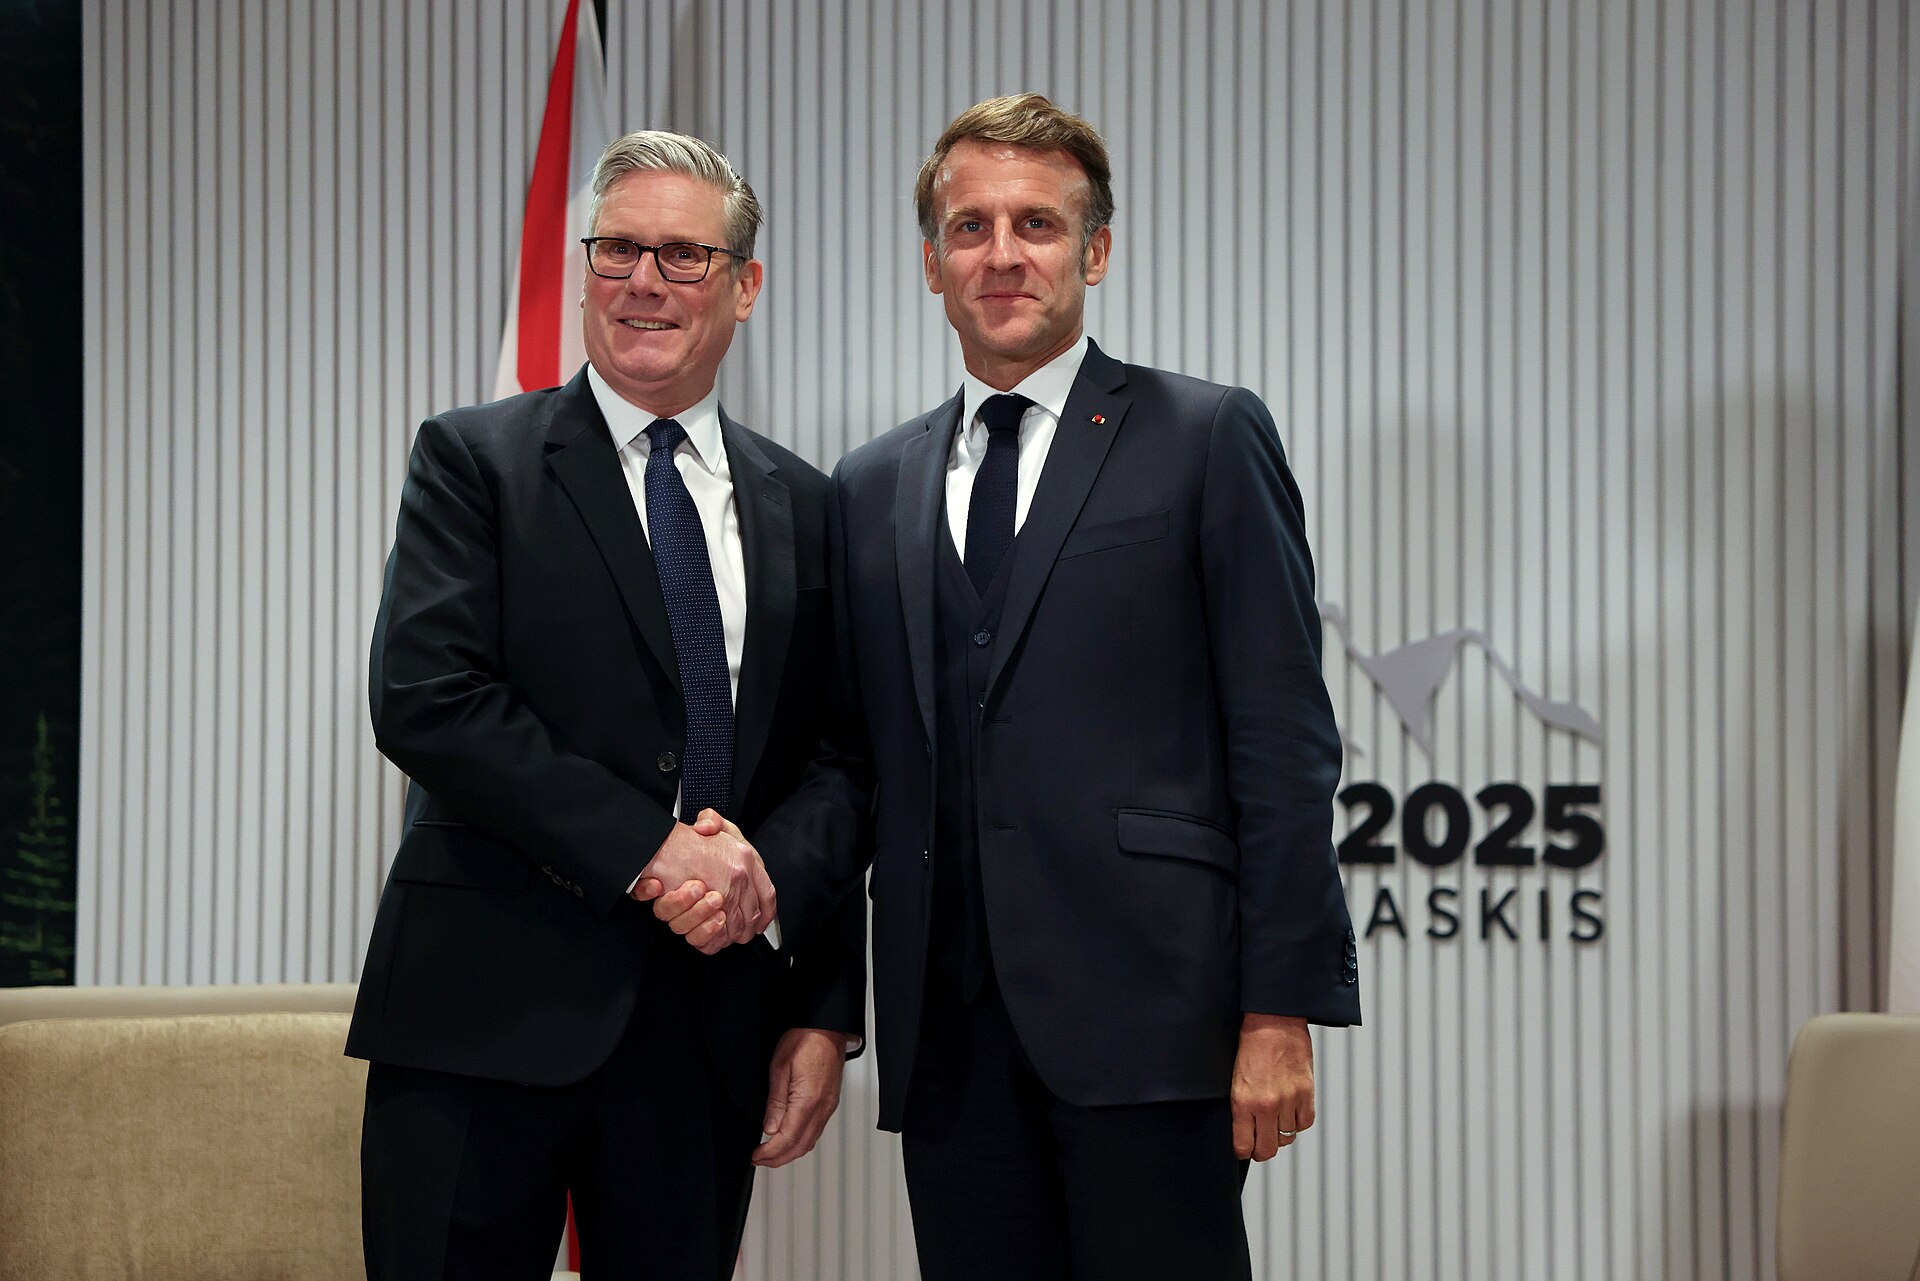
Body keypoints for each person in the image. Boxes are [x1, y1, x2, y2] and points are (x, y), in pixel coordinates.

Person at [672, 92, 1361, 1279]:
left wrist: (1278, 1008)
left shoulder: (1205, 437)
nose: (1003, 254)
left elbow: (1283, 738)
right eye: (971, 227)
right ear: (931, 264)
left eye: (1037, 224)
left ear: (1095, 251)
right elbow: (850, 764)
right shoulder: (869, 485)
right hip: (949, 1043)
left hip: (1156, 1030)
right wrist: (815, 987)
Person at [346, 129, 864, 1281]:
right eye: (617, 249)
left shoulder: (812, 506)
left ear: (745, 285)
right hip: (479, 1015)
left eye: (683, 255)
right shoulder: (474, 460)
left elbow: (838, 763)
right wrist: (653, 850)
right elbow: (428, 699)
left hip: (706, 1033)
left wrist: (822, 1004)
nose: (643, 281)